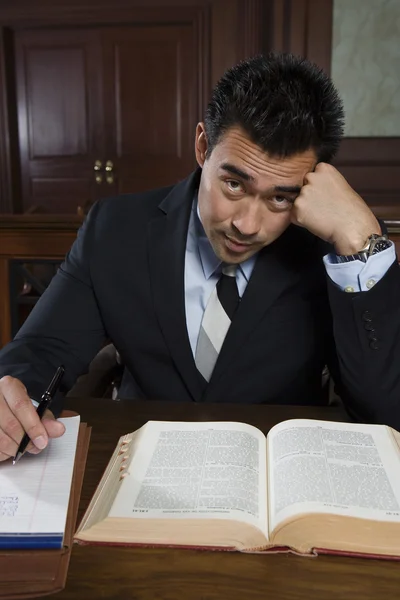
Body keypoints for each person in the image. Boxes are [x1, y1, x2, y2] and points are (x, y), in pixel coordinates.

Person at [0, 52, 399, 462]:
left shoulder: (330, 255)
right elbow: (42, 350)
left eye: (280, 197)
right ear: (203, 145)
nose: (247, 224)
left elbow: (385, 411)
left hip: (274, 480)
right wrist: (14, 399)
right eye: (233, 184)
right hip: (137, 465)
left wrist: (360, 240)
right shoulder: (115, 229)